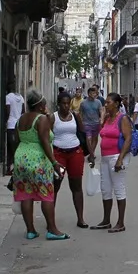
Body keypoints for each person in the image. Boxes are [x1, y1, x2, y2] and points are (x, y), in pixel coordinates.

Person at [12, 89, 69, 240]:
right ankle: (52, 229)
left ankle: (30, 230)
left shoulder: (21, 119)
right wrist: (55, 163)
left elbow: (15, 140)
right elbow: (44, 141)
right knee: (46, 195)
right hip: (38, 160)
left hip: (21, 159)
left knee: (26, 194)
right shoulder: (41, 119)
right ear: (40, 105)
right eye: (44, 102)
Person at [51, 92, 93, 228]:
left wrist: (91, 153)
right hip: (58, 154)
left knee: (76, 187)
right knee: (55, 186)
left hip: (75, 153)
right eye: (63, 103)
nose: (65, 106)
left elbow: (84, 134)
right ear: (58, 104)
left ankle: (80, 218)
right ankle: (50, 220)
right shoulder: (53, 117)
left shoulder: (75, 116)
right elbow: (46, 137)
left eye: (67, 103)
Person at [93, 93, 133, 233]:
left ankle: (120, 222)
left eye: (108, 102)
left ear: (116, 104)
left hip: (116, 157)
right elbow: (101, 133)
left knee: (119, 188)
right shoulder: (107, 118)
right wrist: (102, 118)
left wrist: (120, 159)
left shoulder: (122, 119)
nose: (106, 104)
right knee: (105, 189)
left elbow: (128, 139)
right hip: (104, 158)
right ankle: (106, 220)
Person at [5, 83, 25, 173]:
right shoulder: (21, 97)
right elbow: (23, 111)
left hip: (10, 124)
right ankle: (13, 167)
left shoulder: (8, 97)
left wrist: (5, 121)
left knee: (10, 148)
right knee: (16, 147)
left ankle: (11, 167)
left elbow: (7, 111)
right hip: (18, 125)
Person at [80, 86, 104, 154]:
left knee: (95, 139)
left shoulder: (98, 102)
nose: (95, 95)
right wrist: (81, 122)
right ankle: (91, 153)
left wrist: (101, 119)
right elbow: (80, 113)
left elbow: (101, 111)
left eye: (95, 93)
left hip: (96, 123)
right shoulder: (83, 103)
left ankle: (91, 153)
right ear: (89, 94)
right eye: (93, 93)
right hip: (86, 124)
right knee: (88, 138)